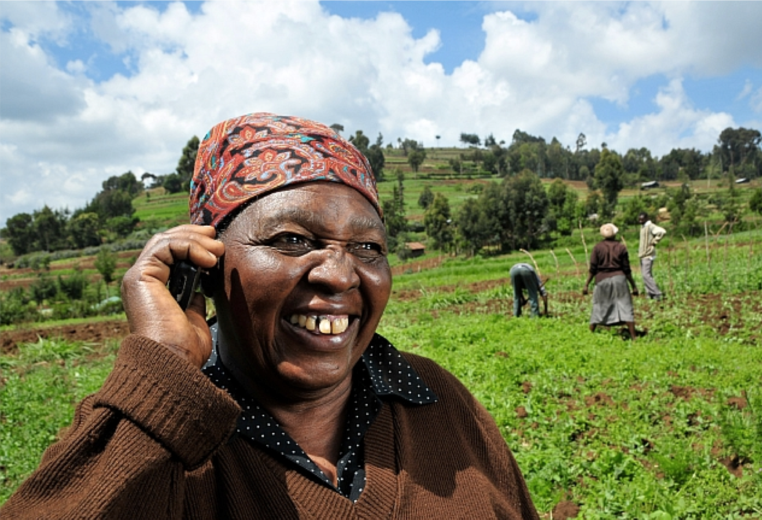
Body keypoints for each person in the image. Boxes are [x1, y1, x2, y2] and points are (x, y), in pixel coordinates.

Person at [1, 113, 539, 519]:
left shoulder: (438, 400)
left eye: (369, 247)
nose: (340, 274)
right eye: (292, 239)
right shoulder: (158, 443)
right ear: (204, 264)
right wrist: (161, 376)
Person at [583, 223, 640, 339]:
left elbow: (593, 268)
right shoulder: (621, 247)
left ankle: (590, 334)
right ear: (614, 234)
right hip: (619, 279)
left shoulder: (597, 248)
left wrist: (586, 284)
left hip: (602, 279)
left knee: (599, 305)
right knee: (625, 305)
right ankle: (634, 336)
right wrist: (633, 285)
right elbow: (626, 269)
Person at [638, 211, 666, 300]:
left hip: (648, 254)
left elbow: (662, 231)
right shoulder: (643, 227)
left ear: (646, 218)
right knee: (645, 274)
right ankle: (650, 293)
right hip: (643, 254)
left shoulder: (650, 226)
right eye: (639, 220)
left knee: (646, 275)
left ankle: (657, 293)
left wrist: (654, 242)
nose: (640, 221)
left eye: (642, 219)